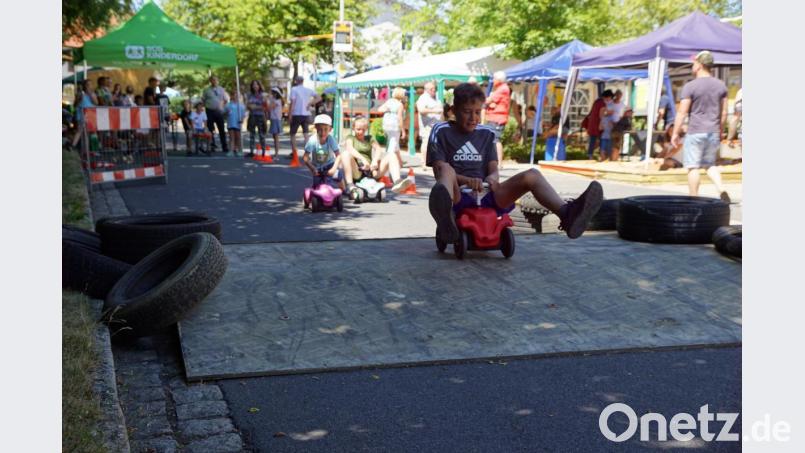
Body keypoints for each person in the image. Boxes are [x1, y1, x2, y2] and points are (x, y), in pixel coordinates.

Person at [427, 83, 603, 245]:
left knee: (532, 175)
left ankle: (567, 214)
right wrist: (466, 180)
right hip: (456, 195)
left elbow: (493, 167)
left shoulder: (487, 133)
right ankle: (446, 216)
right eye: (466, 111)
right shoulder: (441, 131)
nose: (473, 117)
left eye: (476, 111)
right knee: (446, 168)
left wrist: (493, 178)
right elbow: (438, 169)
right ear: (453, 110)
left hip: (487, 193)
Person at [671, 51, 731, 202]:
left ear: (699, 65)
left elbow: (682, 112)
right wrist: (720, 130)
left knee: (693, 167)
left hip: (696, 130)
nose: (693, 65)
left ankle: (694, 199)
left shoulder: (690, 86)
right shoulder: (721, 85)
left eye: (694, 62)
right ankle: (721, 188)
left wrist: (675, 133)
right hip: (713, 131)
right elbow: (724, 113)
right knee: (709, 164)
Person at [340, 117, 412, 196]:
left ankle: (397, 182)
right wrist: (363, 159)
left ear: (366, 128)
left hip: (371, 171)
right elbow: (350, 149)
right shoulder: (350, 138)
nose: (361, 132)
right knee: (345, 154)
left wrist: (375, 161)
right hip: (357, 171)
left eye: (363, 130)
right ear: (353, 128)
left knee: (391, 155)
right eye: (358, 129)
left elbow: (378, 149)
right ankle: (350, 185)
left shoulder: (369, 138)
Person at [302, 114, 346, 184]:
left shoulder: (331, 139)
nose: (323, 133)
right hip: (317, 168)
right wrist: (312, 168)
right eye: (320, 129)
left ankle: (343, 189)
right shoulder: (312, 140)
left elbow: (338, 155)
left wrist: (334, 168)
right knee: (317, 186)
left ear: (330, 129)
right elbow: (305, 157)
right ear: (315, 128)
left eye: (326, 129)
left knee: (338, 176)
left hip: (330, 165)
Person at [289, 75, 320, 162]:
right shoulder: (308, 90)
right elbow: (319, 97)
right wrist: (310, 103)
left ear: (296, 81)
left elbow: (293, 102)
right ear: (303, 81)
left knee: (293, 134)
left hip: (296, 113)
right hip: (306, 114)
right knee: (306, 134)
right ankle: (307, 154)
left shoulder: (294, 89)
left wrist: (290, 114)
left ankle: (294, 152)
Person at [483, 71, 511, 164]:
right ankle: (496, 161)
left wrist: (490, 102)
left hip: (497, 118)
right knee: (494, 139)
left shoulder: (502, 89)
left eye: (494, 79)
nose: (493, 81)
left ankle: (498, 162)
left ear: (499, 79)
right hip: (495, 118)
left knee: (496, 140)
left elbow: (488, 100)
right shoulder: (502, 88)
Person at [417, 82, 443, 168]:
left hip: (437, 125)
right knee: (426, 143)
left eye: (434, 88)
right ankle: (423, 163)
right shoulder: (423, 98)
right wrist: (435, 111)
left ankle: (435, 162)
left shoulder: (436, 98)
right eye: (431, 89)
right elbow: (421, 110)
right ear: (426, 90)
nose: (434, 90)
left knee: (436, 145)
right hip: (427, 125)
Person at [202, 75, 229, 153]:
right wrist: (207, 106)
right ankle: (212, 145)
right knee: (210, 129)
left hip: (219, 111)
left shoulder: (222, 89)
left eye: (216, 80)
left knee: (221, 129)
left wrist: (222, 106)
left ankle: (224, 146)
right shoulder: (206, 90)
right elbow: (203, 100)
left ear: (218, 81)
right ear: (210, 81)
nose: (214, 81)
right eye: (212, 80)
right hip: (209, 111)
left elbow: (226, 100)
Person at [582, 90, 612, 160]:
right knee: (601, 139)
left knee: (593, 139)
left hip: (592, 123)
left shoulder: (597, 101)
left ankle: (590, 155)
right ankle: (601, 155)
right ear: (608, 97)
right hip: (597, 123)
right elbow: (601, 114)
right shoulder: (602, 103)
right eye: (610, 97)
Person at [71, 79, 98, 149]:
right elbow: (75, 104)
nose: (89, 86)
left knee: (92, 132)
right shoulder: (81, 94)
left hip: (91, 114)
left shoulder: (93, 94)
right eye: (87, 85)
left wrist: (91, 95)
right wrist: (78, 99)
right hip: (82, 116)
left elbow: (96, 103)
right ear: (84, 86)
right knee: (80, 131)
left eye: (90, 84)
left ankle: (92, 149)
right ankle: (73, 146)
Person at [245, 80, 267, 158]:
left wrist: (255, 107)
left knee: (261, 134)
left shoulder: (263, 95)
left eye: (256, 85)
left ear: (259, 86)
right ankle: (251, 151)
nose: (255, 86)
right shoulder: (250, 95)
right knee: (252, 134)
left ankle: (264, 152)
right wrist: (251, 106)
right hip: (252, 116)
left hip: (260, 116)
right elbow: (248, 105)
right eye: (253, 85)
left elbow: (265, 106)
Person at [226, 89, 246, 156]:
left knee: (238, 137)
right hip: (231, 123)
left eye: (238, 95)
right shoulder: (229, 105)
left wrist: (242, 120)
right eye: (234, 94)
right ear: (231, 96)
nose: (236, 96)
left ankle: (239, 150)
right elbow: (224, 112)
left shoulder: (241, 105)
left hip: (238, 123)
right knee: (232, 137)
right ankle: (231, 150)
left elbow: (243, 114)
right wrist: (226, 112)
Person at [598, 93, 616, 161]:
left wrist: (605, 112)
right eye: (605, 99)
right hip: (605, 130)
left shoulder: (612, 105)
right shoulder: (604, 106)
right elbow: (601, 115)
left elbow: (610, 112)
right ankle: (603, 158)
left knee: (609, 147)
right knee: (603, 147)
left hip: (610, 131)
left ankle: (609, 159)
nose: (606, 100)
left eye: (607, 98)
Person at [268, 88, 284, 158]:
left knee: (276, 137)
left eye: (272, 93)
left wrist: (268, 100)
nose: (271, 94)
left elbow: (270, 107)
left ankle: (276, 154)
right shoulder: (275, 100)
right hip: (274, 119)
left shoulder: (277, 101)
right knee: (274, 137)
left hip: (276, 120)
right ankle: (276, 153)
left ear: (275, 94)